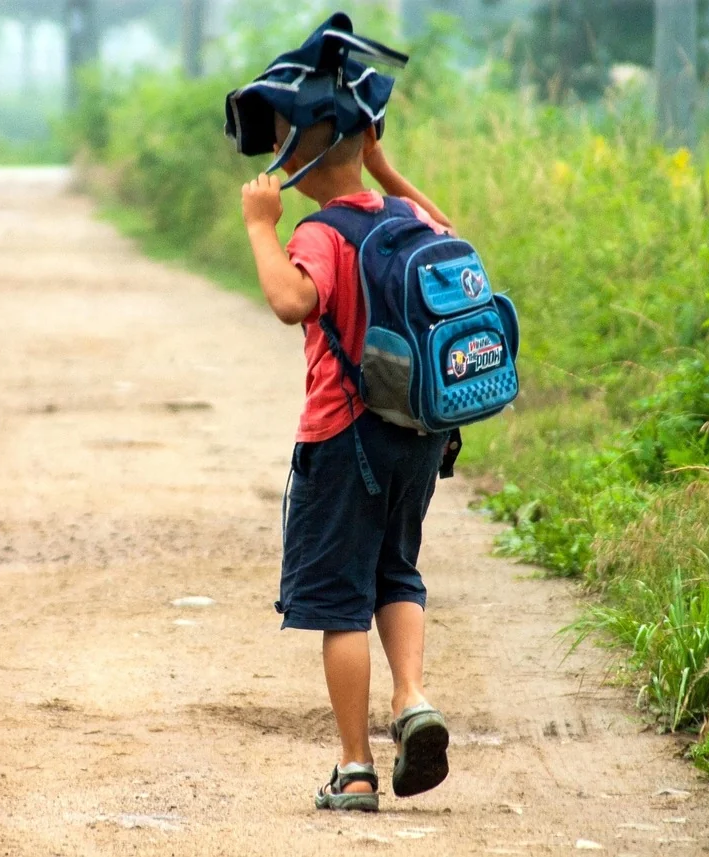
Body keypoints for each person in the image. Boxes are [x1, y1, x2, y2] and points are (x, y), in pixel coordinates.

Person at [235, 54, 457, 812]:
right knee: (397, 574)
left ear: (295, 158)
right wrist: (386, 169)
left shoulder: (321, 234)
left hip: (344, 441)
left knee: (337, 603)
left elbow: (291, 301)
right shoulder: (404, 219)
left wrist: (262, 227)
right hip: (417, 436)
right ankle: (413, 694)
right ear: (367, 142)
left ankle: (356, 767)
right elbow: (447, 230)